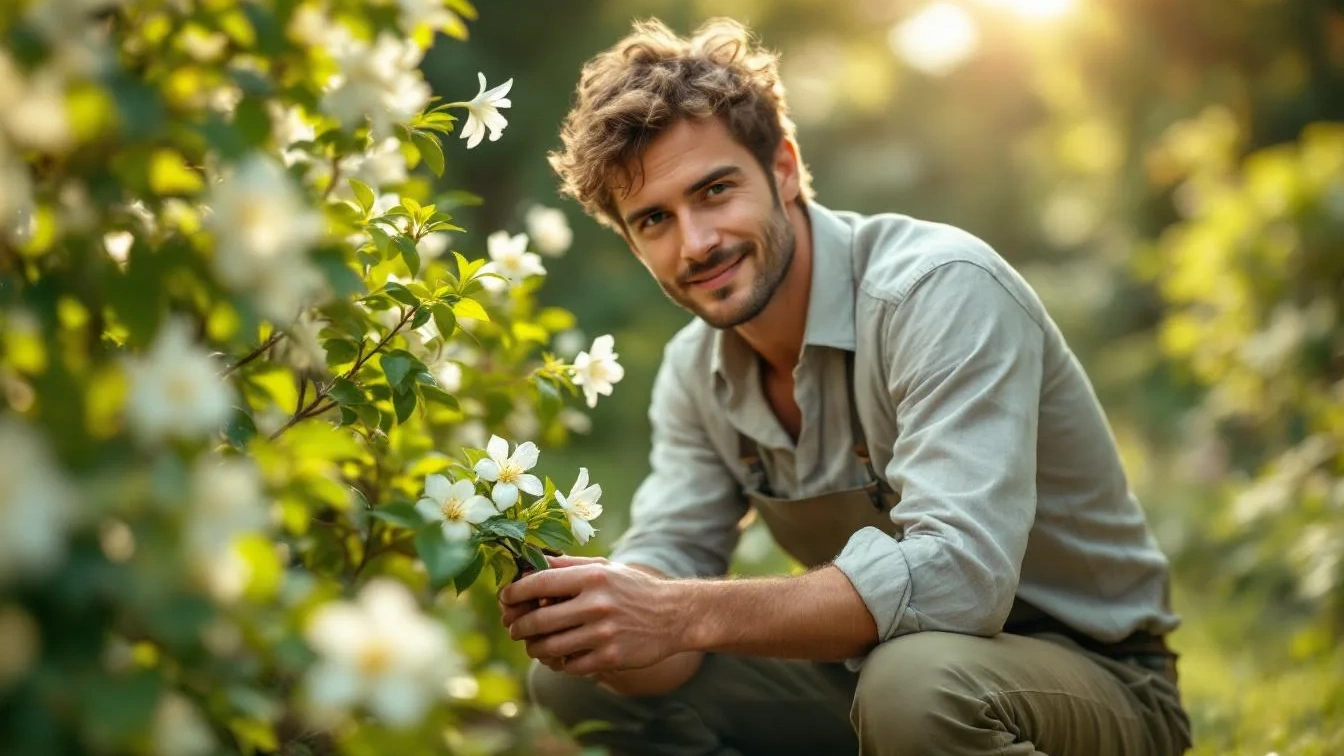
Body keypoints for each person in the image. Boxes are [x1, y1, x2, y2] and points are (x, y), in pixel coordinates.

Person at [498, 17, 1193, 756]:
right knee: (579, 680)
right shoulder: (692, 375)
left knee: (915, 685)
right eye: (655, 220)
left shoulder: (938, 289)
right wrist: (602, 616)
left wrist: (676, 614)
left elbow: (960, 580)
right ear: (633, 243)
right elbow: (666, 572)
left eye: (715, 191)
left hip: (1101, 681)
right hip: (880, 679)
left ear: (786, 169)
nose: (696, 242)